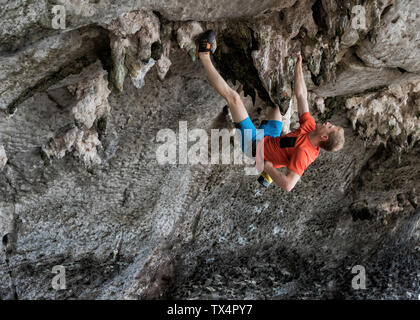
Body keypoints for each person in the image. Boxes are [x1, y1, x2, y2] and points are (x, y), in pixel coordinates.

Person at [196, 30, 345, 192]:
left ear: (324, 137)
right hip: (271, 139)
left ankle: (203, 54)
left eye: (330, 127)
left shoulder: (304, 153)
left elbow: (288, 185)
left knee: (234, 99)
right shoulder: (310, 127)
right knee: (276, 106)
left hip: (255, 146)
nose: (328, 123)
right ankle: (272, 165)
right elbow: (301, 95)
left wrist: (269, 168)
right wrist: (298, 66)